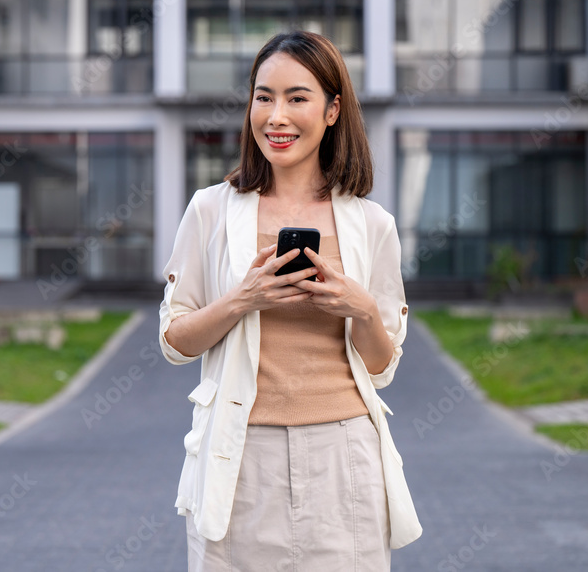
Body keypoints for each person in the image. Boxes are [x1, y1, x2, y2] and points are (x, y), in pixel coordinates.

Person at [158, 30, 422, 571]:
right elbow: (174, 342)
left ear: (332, 111)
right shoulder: (210, 210)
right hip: (241, 455)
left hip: (343, 457)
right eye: (263, 97)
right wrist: (242, 300)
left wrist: (362, 308)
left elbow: (381, 367)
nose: (275, 116)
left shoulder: (373, 225)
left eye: (297, 98)